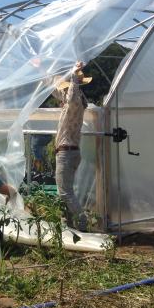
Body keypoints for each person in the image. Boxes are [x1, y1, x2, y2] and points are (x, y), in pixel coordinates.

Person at [53, 61, 92, 231]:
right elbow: (58, 92)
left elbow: (70, 96)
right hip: (70, 152)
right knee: (64, 192)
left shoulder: (74, 104)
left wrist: (73, 76)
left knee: (64, 192)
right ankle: (67, 226)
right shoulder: (72, 107)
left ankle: (82, 222)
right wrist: (44, 75)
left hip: (66, 154)